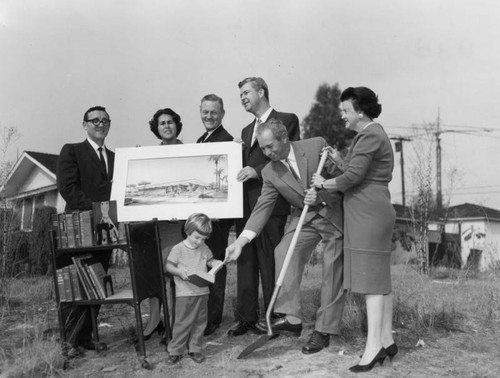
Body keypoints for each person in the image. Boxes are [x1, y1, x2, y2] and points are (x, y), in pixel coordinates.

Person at [226, 118, 345, 354]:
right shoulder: (270, 171)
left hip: (332, 214)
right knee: (283, 251)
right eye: (263, 148)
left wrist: (321, 192)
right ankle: (292, 318)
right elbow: (262, 208)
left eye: (271, 146)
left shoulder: (315, 146)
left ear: (284, 138)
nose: (267, 153)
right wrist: (240, 241)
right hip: (305, 218)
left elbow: (344, 177)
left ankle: (323, 330)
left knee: (331, 269)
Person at [311, 87, 396, 372]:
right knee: (380, 279)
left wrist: (323, 183)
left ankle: (373, 349)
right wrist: (337, 158)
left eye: (346, 110)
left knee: (371, 282)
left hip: (367, 212)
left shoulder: (370, 134)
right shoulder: (373, 133)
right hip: (372, 209)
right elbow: (357, 168)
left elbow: (353, 176)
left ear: (360, 111)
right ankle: (385, 339)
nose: (342, 115)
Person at [229, 77, 300, 337]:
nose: (243, 98)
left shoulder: (287, 119)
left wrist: (257, 171)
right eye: (240, 95)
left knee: (271, 261)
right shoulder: (247, 131)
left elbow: (286, 156)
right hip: (247, 206)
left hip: (273, 204)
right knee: (245, 260)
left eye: (246, 92)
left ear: (261, 92)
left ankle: (274, 316)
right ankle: (246, 317)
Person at [56, 105, 114, 356]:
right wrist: (96, 211)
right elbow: (67, 188)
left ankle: (87, 337)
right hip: (79, 229)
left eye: (105, 120)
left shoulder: (114, 157)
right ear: (85, 125)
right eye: (95, 121)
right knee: (75, 285)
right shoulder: (72, 151)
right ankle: (68, 341)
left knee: (99, 281)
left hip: (107, 230)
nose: (100, 124)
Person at [141, 108, 185, 341]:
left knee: (175, 273)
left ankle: (176, 327)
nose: (167, 126)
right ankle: (157, 320)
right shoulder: (150, 155)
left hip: (179, 226)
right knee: (157, 274)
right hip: (158, 225)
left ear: (176, 125)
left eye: (170, 122)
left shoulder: (189, 151)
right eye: (162, 123)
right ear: (156, 129)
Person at [196, 94, 234, 336]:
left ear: (222, 114)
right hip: (202, 217)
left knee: (216, 266)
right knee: (201, 264)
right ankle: (202, 317)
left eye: (213, 112)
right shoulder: (201, 141)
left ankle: (213, 319)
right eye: (205, 112)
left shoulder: (228, 141)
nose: (209, 116)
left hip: (218, 220)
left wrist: (223, 212)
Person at [165, 213, 223, 365]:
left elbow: (209, 261)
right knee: (182, 322)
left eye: (204, 239)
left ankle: (195, 349)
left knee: (200, 322)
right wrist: (178, 271)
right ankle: (175, 351)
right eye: (197, 237)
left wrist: (215, 263)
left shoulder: (204, 247)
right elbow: (169, 266)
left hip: (202, 292)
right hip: (185, 294)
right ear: (187, 231)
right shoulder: (178, 249)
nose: (200, 241)